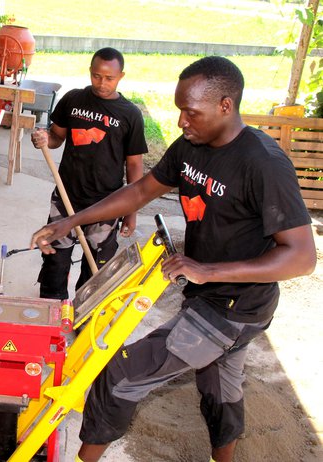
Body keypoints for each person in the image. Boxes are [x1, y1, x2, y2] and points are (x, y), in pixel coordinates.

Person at [30, 56, 316, 462]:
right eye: (180, 109)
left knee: (119, 376)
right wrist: (71, 221)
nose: (181, 121)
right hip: (206, 297)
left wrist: (206, 269)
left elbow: (302, 257)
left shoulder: (263, 163)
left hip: (236, 307)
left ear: (225, 106)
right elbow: (141, 190)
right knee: (219, 389)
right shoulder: (190, 147)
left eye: (191, 112)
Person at [30, 47, 146, 300]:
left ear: (121, 76)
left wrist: (131, 212)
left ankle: (83, 319)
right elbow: (56, 137)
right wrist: (43, 137)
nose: (102, 83)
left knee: (97, 269)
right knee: (54, 261)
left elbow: (135, 166)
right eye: (96, 76)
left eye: (109, 78)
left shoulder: (130, 114)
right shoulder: (73, 100)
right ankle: (52, 315)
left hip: (107, 205)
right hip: (66, 198)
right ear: (90, 72)